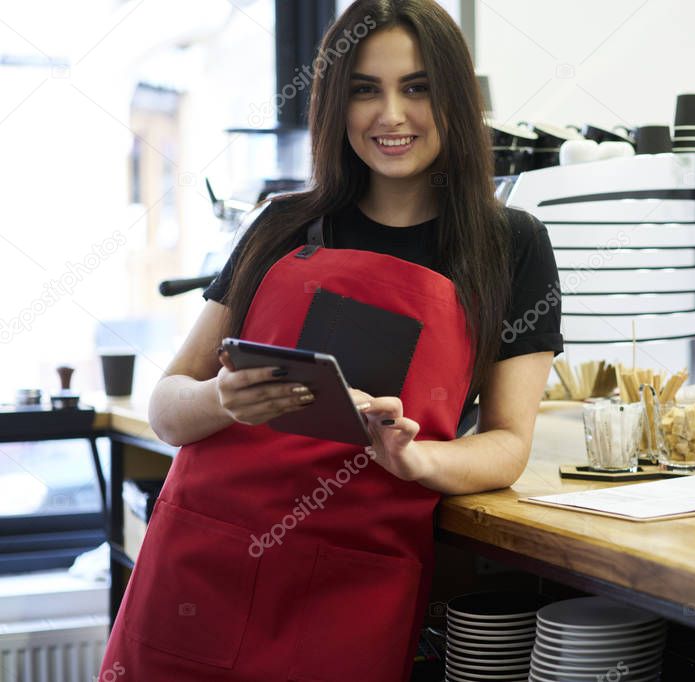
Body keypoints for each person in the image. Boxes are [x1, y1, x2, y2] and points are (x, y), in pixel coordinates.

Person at [99, 1, 562, 679]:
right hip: (205, 564)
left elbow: (506, 444)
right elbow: (170, 408)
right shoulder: (279, 226)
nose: (391, 115)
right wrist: (225, 400)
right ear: (334, 103)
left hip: (353, 583)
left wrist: (417, 462)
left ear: (455, 99)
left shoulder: (509, 246)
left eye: (417, 87)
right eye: (364, 90)